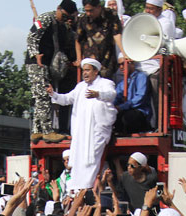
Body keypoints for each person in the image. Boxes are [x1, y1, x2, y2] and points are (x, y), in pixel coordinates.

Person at [48, 58, 117, 191]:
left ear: (96, 71)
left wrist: (98, 94)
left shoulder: (105, 83)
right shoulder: (80, 87)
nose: (84, 73)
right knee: (78, 158)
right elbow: (66, 99)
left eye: (87, 70)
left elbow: (111, 94)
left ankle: (86, 188)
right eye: (83, 70)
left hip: (96, 129)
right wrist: (53, 94)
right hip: (81, 130)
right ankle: (75, 189)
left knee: (91, 159)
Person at [25, 0, 79, 143]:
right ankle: (48, 131)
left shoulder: (62, 27)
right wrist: (35, 54)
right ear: (58, 9)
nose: (66, 19)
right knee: (43, 95)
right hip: (36, 63)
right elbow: (31, 36)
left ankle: (37, 130)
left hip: (47, 64)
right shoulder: (45, 18)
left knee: (40, 95)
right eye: (65, 15)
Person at [75, 0, 124, 79]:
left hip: (107, 59)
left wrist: (124, 53)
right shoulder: (83, 19)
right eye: (86, 11)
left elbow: (117, 34)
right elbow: (78, 40)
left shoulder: (111, 15)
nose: (88, 14)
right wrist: (78, 59)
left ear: (99, 7)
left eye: (91, 10)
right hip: (89, 60)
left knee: (106, 85)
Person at [113, 68, 153, 135]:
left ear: (131, 63)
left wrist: (122, 107)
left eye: (123, 64)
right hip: (126, 110)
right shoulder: (122, 82)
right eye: (119, 65)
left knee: (128, 117)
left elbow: (140, 97)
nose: (121, 67)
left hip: (139, 111)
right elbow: (116, 97)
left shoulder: (141, 76)